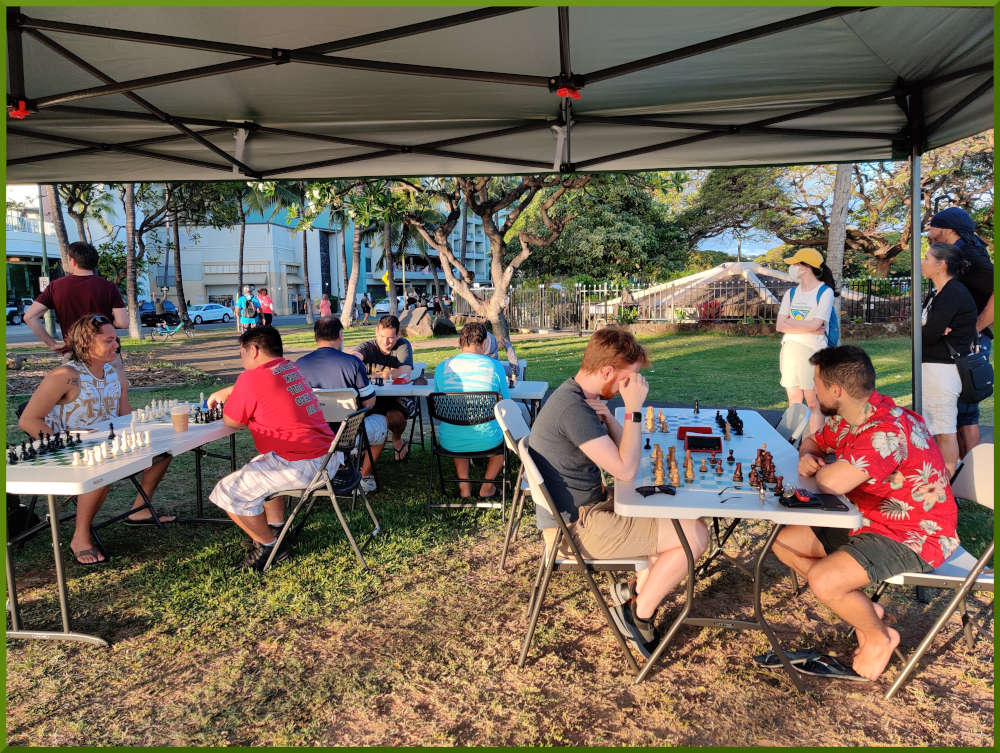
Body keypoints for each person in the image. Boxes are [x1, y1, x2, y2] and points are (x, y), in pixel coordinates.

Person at [773, 345, 958, 681]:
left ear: (836, 390)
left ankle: (880, 636)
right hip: (868, 519)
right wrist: (809, 455)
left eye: (817, 384)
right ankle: (865, 610)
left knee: (824, 580)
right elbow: (814, 443)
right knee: (785, 542)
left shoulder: (885, 429)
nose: (813, 391)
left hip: (915, 533)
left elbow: (832, 482)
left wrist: (819, 469)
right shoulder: (853, 416)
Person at [527, 326, 709, 656]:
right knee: (694, 537)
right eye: (630, 378)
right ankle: (637, 615)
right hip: (574, 531)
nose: (633, 385)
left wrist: (612, 423)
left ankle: (635, 589)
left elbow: (626, 460)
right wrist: (635, 408)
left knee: (681, 516)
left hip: (584, 514)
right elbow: (626, 469)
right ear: (608, 371)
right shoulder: (573, 410)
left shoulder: (577, 398)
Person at [18, 314, 173, 565]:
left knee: (163, 451)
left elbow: (125, 417)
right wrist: (65, 444)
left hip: (106, 444)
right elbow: (28, 420)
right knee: (103, 468)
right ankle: (80, 536)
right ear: (87, 342)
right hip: (73, 450)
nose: (116, 345)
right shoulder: (65, 375)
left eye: (116, 340)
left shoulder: (112, 372)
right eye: (109, 340)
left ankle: (140, 510)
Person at [206, 326, 340, 571]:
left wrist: (232, 397)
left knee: (226, 492)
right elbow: (263, 387)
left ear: (254, 350)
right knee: (265, 459)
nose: (241, 358)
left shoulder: (252, 378)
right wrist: (230, 391)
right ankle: (277, 527)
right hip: (327, 459)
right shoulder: (289, 368)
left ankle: (269, 545)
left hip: (303, 465)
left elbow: (232, 421)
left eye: (242, 353)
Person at [926, 207, 994, 456]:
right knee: (957, 411)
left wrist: (975, 327)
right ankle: (961, 470)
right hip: (954, 342)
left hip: (967, 343)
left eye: (933, 227)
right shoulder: (959, 253)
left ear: (947, 229)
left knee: (965, 412)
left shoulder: (972, 256)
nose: (929, 232)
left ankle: (969, 471)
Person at [295, 316, 388, 492]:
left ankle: (336, 467)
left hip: (313, 436)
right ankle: (365, 476)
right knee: (382, 421)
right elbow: (370, 402)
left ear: (316, 337)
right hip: (348, 436)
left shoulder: (300, 364)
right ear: (340, 335)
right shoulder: (352, 363)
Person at [919, 242, 978, 476]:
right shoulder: (936, 294)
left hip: (943, 371)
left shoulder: (954, 293)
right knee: (931, 427)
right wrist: (927, 328)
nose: (922, 262)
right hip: (931, 367)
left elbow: (928, 333)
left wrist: (928, 329)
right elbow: (923, 330)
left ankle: (946, 484)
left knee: (944, 429)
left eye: (926, 257)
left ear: (941, 264)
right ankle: (935, 478)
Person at [433, 322, 510, 499]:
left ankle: (464, 487)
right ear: (484, 344)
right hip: (488, 439)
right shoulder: (494, 366)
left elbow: (439, 401)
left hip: (450, 439)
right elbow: (505, 403)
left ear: (460, 344)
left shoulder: (442, 367)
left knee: (458, 423)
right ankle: (487, 487)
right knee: (508, 437)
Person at [776, 248, 838, 436]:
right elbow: (779, 325)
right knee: (794, 400)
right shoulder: (791, 293)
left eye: (796, 264)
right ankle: (793, 441)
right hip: (790, 350)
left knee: (813, 402)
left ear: (806, 267)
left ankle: (814, 443)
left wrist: (791, 324)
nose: (793, 268)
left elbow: (818, 325)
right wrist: (807, 326)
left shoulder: (824, 292)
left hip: (812, 351)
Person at [25, 241, 128, 354]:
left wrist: (53, 344)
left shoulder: (56, 287)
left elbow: (30, 317)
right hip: (106, 350)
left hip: (74, 350)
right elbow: (123, 323)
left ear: (72, 261)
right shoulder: (108, 287)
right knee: (111, 371)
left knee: (73, 372)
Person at [349, 315, 414, 462]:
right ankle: (364, 454)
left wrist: (374, 376)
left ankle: (396, 438)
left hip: (395, 399)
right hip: (371, 399)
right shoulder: (367, 347)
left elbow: (404, 373)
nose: (386, 342)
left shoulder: (403, 345)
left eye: (391, 337)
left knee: (395, 417)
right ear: (377, 332)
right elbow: (352, 361)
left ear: (398, 334)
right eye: (382, 336)